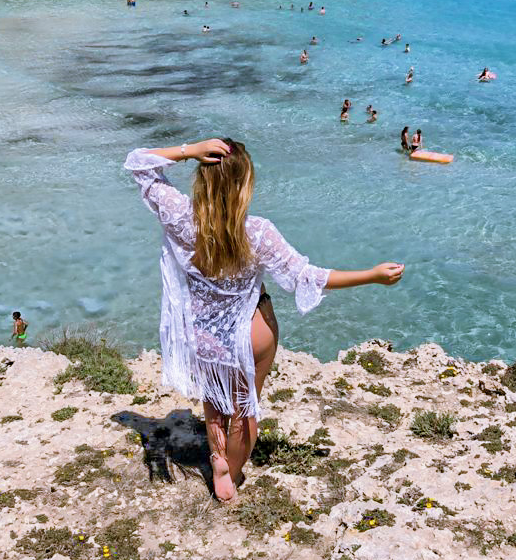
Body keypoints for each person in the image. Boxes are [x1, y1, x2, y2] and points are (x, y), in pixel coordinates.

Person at [125, 138, 405, 502]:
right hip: (251, 330)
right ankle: (232, 473)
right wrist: (371, 275)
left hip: (206, 333)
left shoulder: (182, 218)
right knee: (245, 407)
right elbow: (309, 276)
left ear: (202, 181)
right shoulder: (256, 232)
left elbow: (138, 163)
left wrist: (189, 150)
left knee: (213, 400)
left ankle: (216, 460)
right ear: (243, 186)